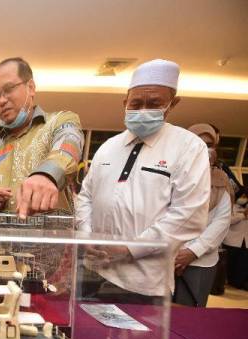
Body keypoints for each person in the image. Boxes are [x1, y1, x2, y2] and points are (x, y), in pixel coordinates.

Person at [76, 59, 211, 301]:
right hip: (92, 272)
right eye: (136, 103)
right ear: (125, 102)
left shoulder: (189, 147)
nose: (143, 110)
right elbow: (85, 196)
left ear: (172, 104)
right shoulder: (108, 147)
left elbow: (189, 214)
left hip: (143, 283)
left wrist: (129, 249)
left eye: (154, 104)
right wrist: (88, 236)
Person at [0, 57, 83, 219]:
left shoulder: (59, 122)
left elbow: (68, 147)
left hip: (49, 242)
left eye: (9, 88)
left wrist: (47, 175)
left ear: (30, 87)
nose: (2, 100)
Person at [173, 123, 233, 306]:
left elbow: (221, 223)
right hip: (167, 258)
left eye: (208, 144)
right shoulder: (172, 175)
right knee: (159, 315)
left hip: (200, 261)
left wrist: (192, 251)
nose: (203, 148)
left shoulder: (221, 181)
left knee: (190, 317)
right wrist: (173, 252)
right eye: (197, 142)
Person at [223, 194, 248, 290]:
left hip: (245, 242)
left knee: (242, 267)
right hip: (231, 241)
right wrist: (243, 215)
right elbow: (227, 220)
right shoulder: (230, 205)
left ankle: (239, 283)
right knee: (229, 267)